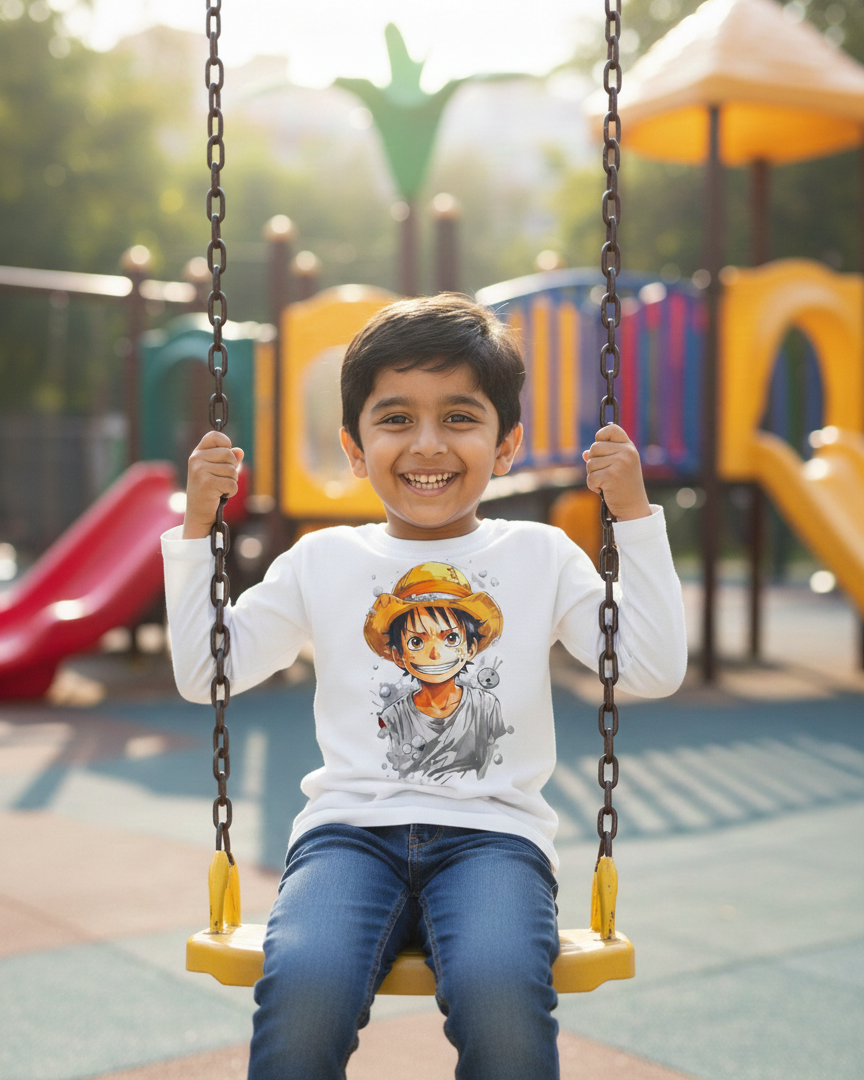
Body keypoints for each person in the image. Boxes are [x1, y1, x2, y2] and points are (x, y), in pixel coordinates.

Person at [162, 293, 687, 1080]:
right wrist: (197, 530)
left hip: (496, 843)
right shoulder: (323, 560)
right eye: (397, 419)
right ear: (353, 445)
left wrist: (635, 515)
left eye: (461, 418)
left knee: (502, 990)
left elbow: (648, 665)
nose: (428, 445)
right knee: (301, 985)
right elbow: (209, 672)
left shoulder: (540, 556)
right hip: (347, 837)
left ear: (506, 445)